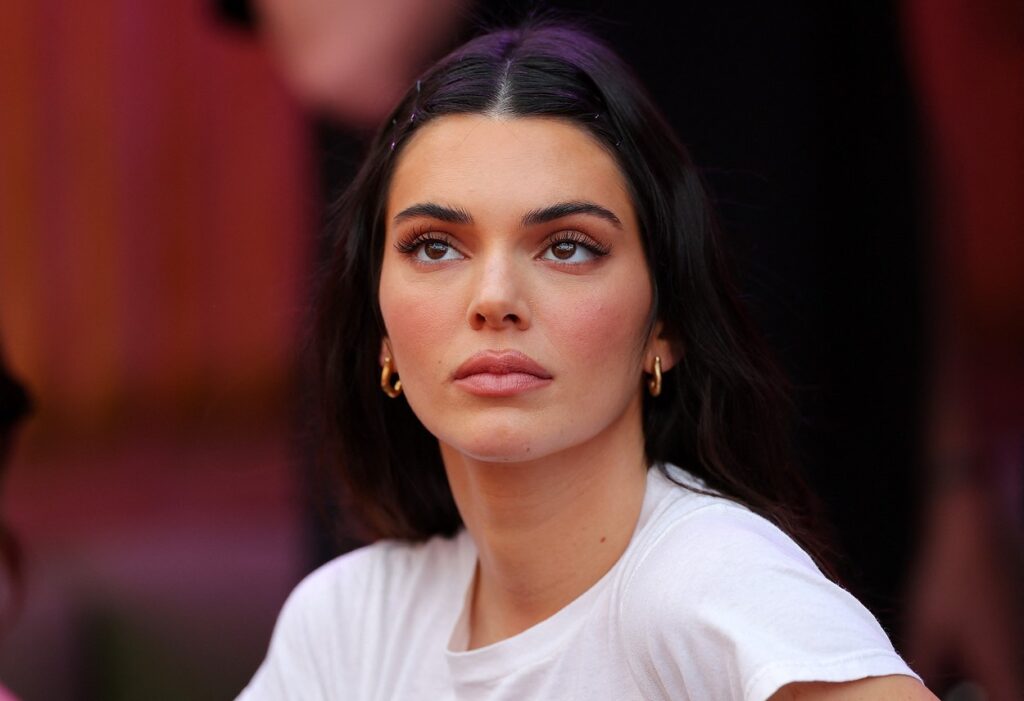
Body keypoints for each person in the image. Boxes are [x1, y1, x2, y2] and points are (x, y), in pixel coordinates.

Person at [239, 21, 936, 700]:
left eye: (567, 247)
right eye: (435, 246)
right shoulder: (350, 622)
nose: (495, 298)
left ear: (664, 323)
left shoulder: (710, 585)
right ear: (380, 329)